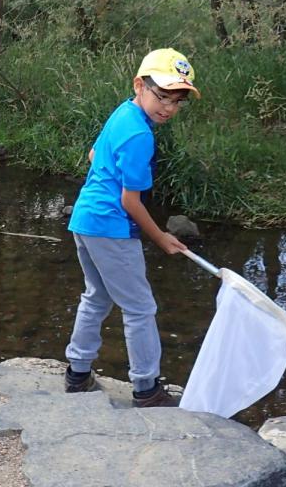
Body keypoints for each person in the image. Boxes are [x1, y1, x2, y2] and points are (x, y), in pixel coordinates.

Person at [63, 48, 200, 407]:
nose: (168, 108)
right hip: (110, 226)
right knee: (140, 308)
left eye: (177, 101)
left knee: (97, 296)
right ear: (140, 85)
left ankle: (77, 374)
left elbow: (95, 155)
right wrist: (161, 238)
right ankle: (146, 388)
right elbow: (130, 202)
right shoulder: (141, 135)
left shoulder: (123, 112)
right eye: (162, 96)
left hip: (84, 219)